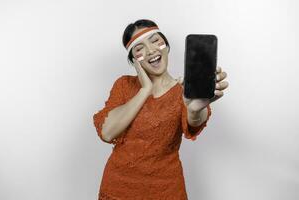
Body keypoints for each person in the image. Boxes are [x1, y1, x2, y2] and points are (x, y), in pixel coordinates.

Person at [93, 19, 229, 200]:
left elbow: (194, 121)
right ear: (134, 60)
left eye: (155, 40)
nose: (150, 50)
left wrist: (195, 109)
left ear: (166, 45)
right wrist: (145, 90)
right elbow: (107, 133)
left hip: (166, 190)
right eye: (139, 48)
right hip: (118, 189)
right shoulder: (123, 85)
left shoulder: (184, 92)